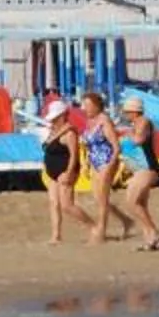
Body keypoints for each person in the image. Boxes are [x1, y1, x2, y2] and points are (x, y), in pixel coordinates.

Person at [79, 90, 133, 244]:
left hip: (107, 160)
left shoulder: (104, 121)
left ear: (97, 106)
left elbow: (116, 146)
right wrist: (86, 163)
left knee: (102, 198)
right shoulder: (90, 121)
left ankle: (101, 231)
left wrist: (111, 165)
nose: (85, 109)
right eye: (85, 105)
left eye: (88, 105)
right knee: (98, 198)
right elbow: (89, 145)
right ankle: (126, 220)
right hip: (95, 161)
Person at [117, 100, 159, 252]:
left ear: (134, 112)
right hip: (139, 169)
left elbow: (139, 139)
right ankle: (149, 240)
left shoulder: (143, 122)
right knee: (141, 204)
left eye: (126, 112)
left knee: (131, 202)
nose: (125, 115)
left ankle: (153, 230)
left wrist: (127, 132)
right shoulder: (136, 124)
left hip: (147, 168)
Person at [40, 97, 89, 243]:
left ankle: (92, 226)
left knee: (67, 205)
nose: (52, 121)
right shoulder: (53, 131)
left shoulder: (69, 133)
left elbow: (75, 154)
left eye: (55, 118)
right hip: (53, 173)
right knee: (53, 203)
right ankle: (56, 235)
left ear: (62, 116)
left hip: (65, 171)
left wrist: (69, 172)